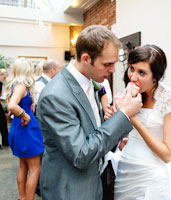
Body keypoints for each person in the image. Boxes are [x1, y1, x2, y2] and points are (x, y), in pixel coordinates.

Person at [36, 25, 142, 200]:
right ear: (86, 58)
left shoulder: (88, 83)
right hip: (70, 190)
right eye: (107, 64)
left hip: (93, 181)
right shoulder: (56, 95)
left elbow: (93, 132)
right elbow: (81, 155)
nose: (113, 70)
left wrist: (113, 122)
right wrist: (123, 114)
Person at [111, 44, 171, 199]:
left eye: (142, 72)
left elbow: (167, 155)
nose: (133, 77)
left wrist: (134, 120)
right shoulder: (133, 92)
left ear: (155, 76)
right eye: (131, 69)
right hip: (126, 168)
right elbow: (128, 131)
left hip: (150, 174)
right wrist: (116, 118)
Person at [5, 58, 44, 200]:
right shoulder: (21, 86)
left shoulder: (16, 85)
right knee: (35, 169)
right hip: (25, 128)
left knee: (24, 165)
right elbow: (11, 105)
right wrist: (25, 116)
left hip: (19, 128)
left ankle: (23, 198)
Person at [0, 68, 9, 149]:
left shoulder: (1, 83)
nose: (5, 79)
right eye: (4, 77)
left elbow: (2, 95)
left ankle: (6, 142)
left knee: (3, 123)